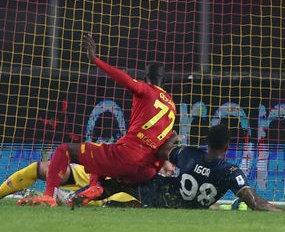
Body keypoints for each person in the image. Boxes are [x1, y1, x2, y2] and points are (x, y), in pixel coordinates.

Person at [22, 34, 176, 207]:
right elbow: (165, 146)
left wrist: (95, 60)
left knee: (64, 150)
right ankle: (96, 187)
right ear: (164, 79)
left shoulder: (146, 89)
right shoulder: (171, 105)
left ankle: (49, 196)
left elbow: (123, 78)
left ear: (145, 76)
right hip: (147, 170)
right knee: (101, 154)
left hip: (128, 157)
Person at [71, 124, 281, 211]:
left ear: (206, 141)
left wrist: (172, 139)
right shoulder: (231, 172)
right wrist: (277, 210)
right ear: (227, 146)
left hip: (161, 193)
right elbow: (251, 200)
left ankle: (73, 198)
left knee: (117, 184)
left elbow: (162, 153)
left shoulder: (188, 154)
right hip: (186, 208)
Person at [0, 160, 177, 205]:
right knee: (39, 168)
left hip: (126, 187)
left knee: (119, 201)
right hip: (104, 170)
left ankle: (67, 198)